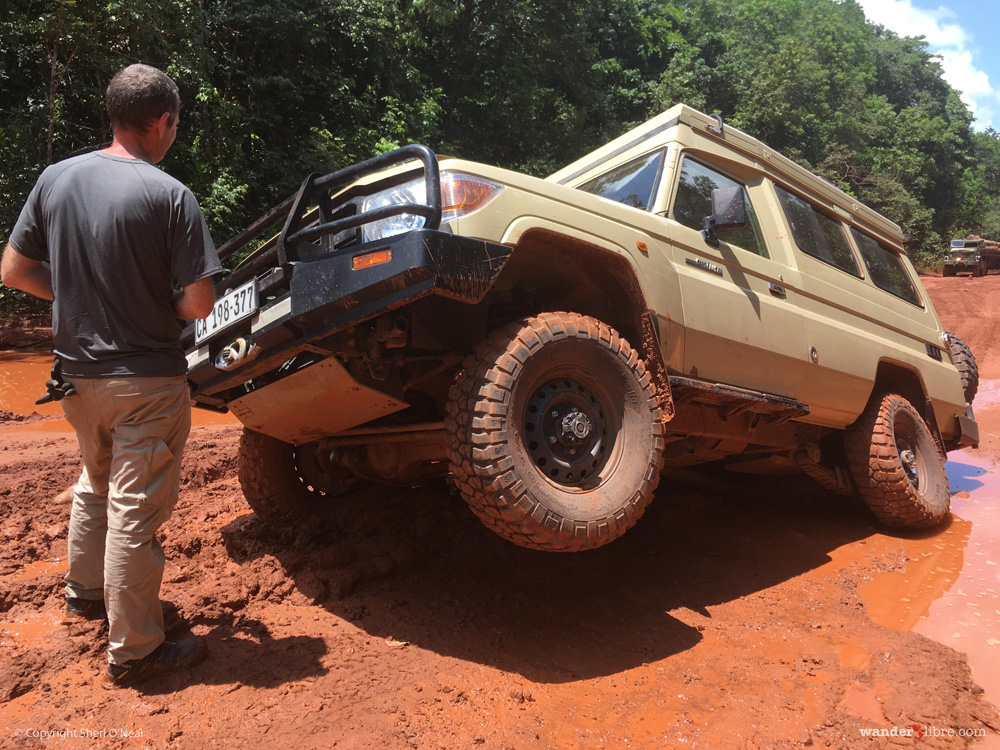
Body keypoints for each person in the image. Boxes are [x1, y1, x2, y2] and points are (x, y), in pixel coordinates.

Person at [1, 63, 222, 687]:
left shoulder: (55, 179)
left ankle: (83, 593)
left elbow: (14, 271)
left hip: (77, 378)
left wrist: (75, 296)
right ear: (161, 121)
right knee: (135, 511)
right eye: (175, 124)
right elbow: (200, 303)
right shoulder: (169, 195)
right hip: (145, 381)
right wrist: (153, 305)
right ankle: (137, 653)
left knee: (94, 484)